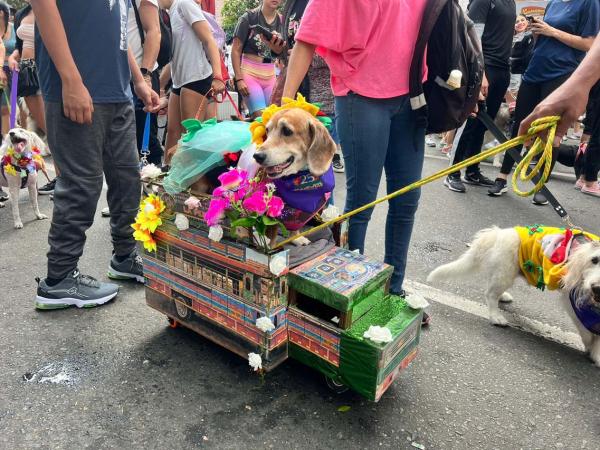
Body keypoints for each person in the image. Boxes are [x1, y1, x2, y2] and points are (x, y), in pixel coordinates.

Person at [282, 0, 427, 302]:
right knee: (362, 200)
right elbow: (306, 39)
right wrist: (284, 107)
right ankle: (350, 292)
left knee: (407, 199)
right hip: (361, 95)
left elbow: (447, 22)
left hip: (413, 96)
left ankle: (394, 290)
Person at [32, 0, 159, 309]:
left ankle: (125, 257)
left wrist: (139, 81)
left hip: (117, 91)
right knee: (82, 185)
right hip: (77, 87)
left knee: (127, 178)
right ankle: (59, 279)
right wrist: (71, 80)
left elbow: (117, 33)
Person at [488, 0, 600, 204]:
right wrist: (538, 32)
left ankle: (541, 184)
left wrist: (552, 31)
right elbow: (544, 40)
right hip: (535, 69)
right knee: (518, 126)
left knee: (550, 132)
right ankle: (502, 177)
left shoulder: (589, 3)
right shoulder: (554, 2)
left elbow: (590, 44)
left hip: (561, 73)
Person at [443, 0, 515, 194]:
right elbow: (472, 38)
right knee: (470, 120)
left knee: (484, 125)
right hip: (485, 68)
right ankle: (453, 172)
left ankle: (472, 170)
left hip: (502, 69)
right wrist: (481, 72)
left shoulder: (511, 2)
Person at [160, 0, 226, 156]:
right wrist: (160, 88)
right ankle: (168, 173)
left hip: (197, 76)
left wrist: (218, 76)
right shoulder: (171, 12)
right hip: (179, 80)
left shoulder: (184, 4)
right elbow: (175, 57)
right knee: (172, 132)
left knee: (190, 136)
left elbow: (209, 40)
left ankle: (194, 178)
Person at [8, 2, 56, 195]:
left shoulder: (54, 7)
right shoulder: (23, 12)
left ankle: (65, 178)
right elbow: (21, 46)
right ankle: (61, 177)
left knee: (53, 127)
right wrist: (13, 57)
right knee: (48, 129)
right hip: (27, 74)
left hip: (46, 70)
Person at [231, 0, 284, 119]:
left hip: (271, 74)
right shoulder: (248, 17)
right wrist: (239, 79)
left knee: (273, 119)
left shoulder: (282, 21)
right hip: (250, 74)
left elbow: (283, 53)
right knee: (260, 118)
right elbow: (235, 50)